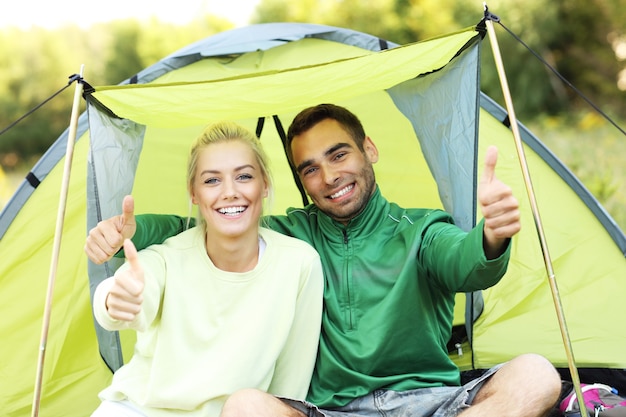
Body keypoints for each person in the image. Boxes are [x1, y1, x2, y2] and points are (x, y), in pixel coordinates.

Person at [85, 104, 562, 417]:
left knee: (537, 374)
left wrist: (492, 236)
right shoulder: (294, 235)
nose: (329, 176)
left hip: (433, 404)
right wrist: (130, 229)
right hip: (334, 411)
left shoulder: (422, 230)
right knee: (247, 405)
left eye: (339, 155)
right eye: (310, 169)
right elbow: (216, 222)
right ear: (298, 180)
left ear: (368, 150)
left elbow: (466, 262)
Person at [88, 121, 324, 417]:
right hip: (140, 409)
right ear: (194, 193)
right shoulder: (165, 258)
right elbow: (129, 294)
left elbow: (291, 386)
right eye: (212, 181)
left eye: (244, 176)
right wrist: (115, 299)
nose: (229, 192)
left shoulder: (300, 263)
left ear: (264, 185)